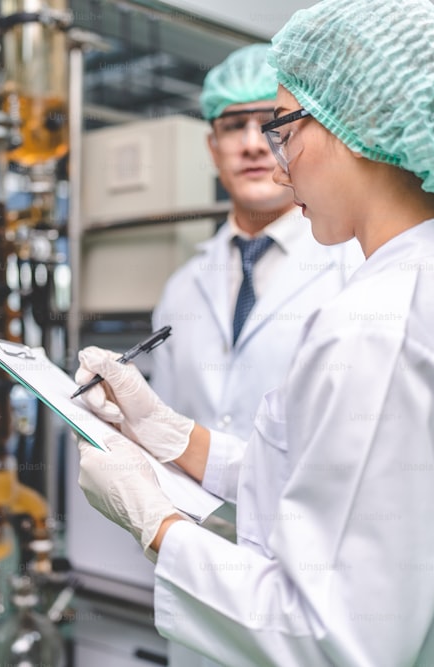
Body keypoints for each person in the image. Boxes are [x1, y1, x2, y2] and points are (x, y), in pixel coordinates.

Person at [73, 0, 434, 665]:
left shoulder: (385, 322)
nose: (279, 165)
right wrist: (169, 432)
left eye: (284, 127)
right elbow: (315, 478)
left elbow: (331, 634)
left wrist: (156, 521)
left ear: (360, 123)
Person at [150, 43, 361, 442]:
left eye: (269, 121)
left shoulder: (357, 265)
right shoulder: (181, 289)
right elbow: (166, 431)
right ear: (212, 148)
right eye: (232, 126)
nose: (251, 143)